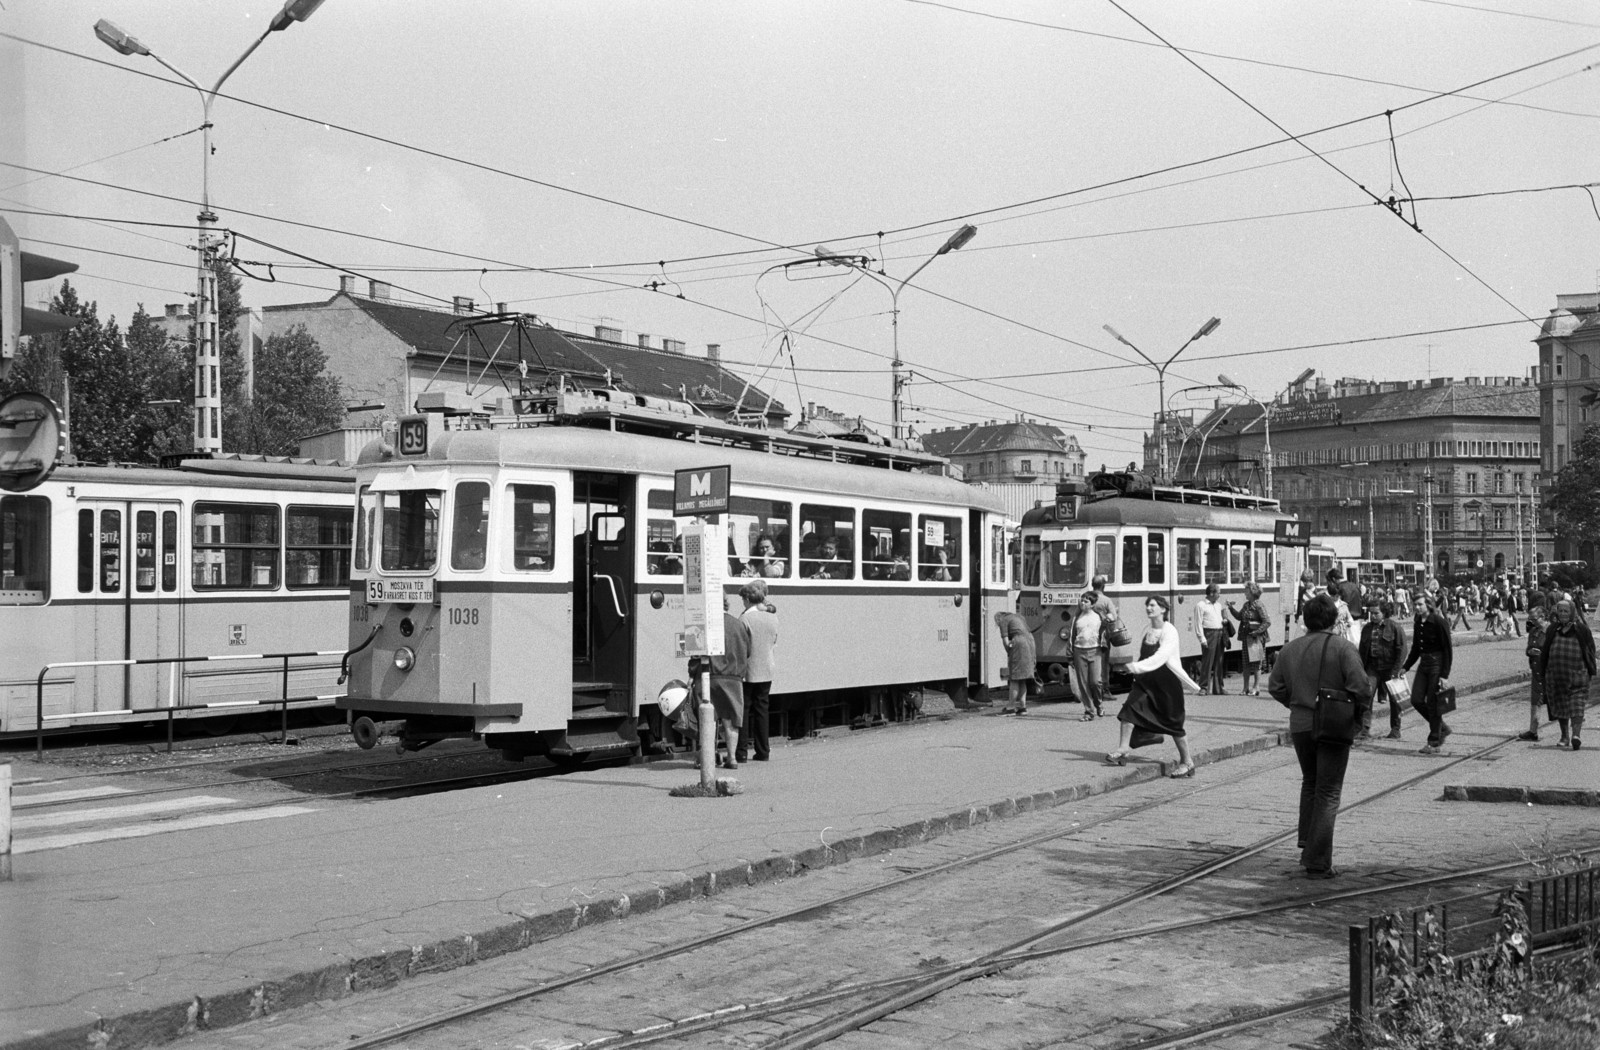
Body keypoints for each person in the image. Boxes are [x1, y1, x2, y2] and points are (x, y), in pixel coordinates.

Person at [1267, 593, 1372, 880]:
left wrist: (1297, 702)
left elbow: (1275, 687)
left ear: (1306, 619)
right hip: (1333, 726)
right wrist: (1357, 716)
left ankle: (1307, 845)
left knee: (1310, 784)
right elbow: (1362, 687)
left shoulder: (1289, 649)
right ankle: (1317, 860)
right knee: (1328, 792)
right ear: (1334, 619)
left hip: (1300, 726)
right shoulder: (1343, 648)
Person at [1106, 596, 1201, 776]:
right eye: (1147, 605)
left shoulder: (1170, 631)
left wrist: (1134, 667)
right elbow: (1139, 653)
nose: (1149, 608)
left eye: (1153, 605)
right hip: (1146, 681)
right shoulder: (1146, 629)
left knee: (1173, 723)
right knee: (1129, 710)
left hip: (1167, 684)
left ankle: (1187, 762)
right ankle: (1123, 749)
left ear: (1163, 609)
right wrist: (1135, 671)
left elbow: (1161, 657)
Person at [687, 598, 752, 769]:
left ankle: (706, 758)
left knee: (708, 719)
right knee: (731, 719)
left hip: (707, 676)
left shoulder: (703, 624)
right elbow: (748, 651)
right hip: (733, 678)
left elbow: (695, 653)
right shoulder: (738, 624)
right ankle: (732, 758)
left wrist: (692, 674)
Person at [1539, 599, 1595, 750]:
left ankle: (1576, 735)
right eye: (1561, 611)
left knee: (1577, 705)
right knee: (1560, 705)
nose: (1563, 614)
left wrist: (1590, 669)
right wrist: (1542, 670)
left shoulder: (1582, 630)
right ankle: (1564, 736)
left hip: (1578, 676)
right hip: (1556, 677)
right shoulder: (1552, 629)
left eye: (1566, 611)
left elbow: (1590, 650)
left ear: (1572, 613)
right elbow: (1545, 651)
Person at [1402, 592, 1454, 754]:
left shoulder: (1439, 622)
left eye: (1420, 604)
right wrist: (1405, 667)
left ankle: (1434, 742)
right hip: (1424, 664)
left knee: (1433, 703)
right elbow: (1416, 648)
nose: (1417, 607)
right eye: (1415, 605)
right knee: (1416, 700)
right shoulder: (1418, 622)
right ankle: (1442, 728)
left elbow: (1447, 650)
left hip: (1437, 665)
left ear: (1429, 605)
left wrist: (1444, 676)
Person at [738, 579, 778, 763]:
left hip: (748, 671)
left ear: (747, 598)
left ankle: (741, 753)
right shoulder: (772, 617)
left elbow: (741, 645)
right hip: (767, 668)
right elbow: (774, 640)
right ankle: (763, 751)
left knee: (744, 710)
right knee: (762, 709)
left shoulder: (745, 618)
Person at [1357, 600, 1407, 740]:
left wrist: (1396, 670)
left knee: (1394, 700)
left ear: (1384, 613)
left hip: (1390, 668)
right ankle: (1364, 729)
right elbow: (1362, 650)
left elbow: (1402, 650)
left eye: (1376, 613)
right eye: (1371, 613)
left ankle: (1395, 729)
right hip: (1372, 667)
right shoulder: (1367, 628)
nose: (1372, 616)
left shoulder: (1394, 627)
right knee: (1366, 696)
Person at [1067, 591, 1105, 720]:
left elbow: (1105, 632)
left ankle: (1099, 704)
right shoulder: (1077, 618)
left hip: (1095, 651)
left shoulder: (1098, 617)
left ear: (1092, 604)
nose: (1082, 603)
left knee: (1095, 682)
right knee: (1083, 683)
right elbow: (1071, 637)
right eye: (1081, 600)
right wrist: (1070, 654)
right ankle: (1089, 712)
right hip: (1079, 651)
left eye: (1086, 601)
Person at [1229, 581, 1270, 696]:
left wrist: (1257, 632)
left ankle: (1256, 687)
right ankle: (1245, 687)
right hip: (1246, 637)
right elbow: (1239, 617)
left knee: (1256, 663)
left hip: (1256, 638)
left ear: (1252, 592)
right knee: (1246, 663)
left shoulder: (1259, 605)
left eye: (1246, 591)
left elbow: (1267, 621)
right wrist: (1231, 608)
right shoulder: (1246, 605)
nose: (1244, 593)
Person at [995, 607, 1037, 714]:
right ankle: (1022, 707)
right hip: (1030, 641)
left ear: (998, 619)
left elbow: (1005, 642)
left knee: (1014, 678)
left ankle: (1010, 707)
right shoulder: (1018, 617)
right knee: (1022, 678)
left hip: (1019, 643)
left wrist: (1009, 652)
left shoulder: (1003, 621)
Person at [1520, 606, 1548, 742]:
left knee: (1556, 701)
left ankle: (1565, 733)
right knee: (1535, 701)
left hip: (1549, 673)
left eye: (1534, 619)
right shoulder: (1533, 631)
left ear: (1542, 617)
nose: (1531, 622)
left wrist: (1541, 654)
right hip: (1536, 672)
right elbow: (1528, 648)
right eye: (1529, 619)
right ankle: (1533, 731)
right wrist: (1529, 652)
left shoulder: (1550, 631)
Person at [1195, 583, 1228, 695]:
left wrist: (1224, 620)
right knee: (1207, 661)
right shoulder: (1201, 605)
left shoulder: (1218, 605)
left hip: (1219, 632)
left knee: (1219, 661)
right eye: (1218, 593)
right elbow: (1198, 623)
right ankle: (1204, 687)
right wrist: (1202, 639)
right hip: (1209, 633)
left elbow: (1220, 616)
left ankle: (1219, 688)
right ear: (1211, 593)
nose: (1219, 595)